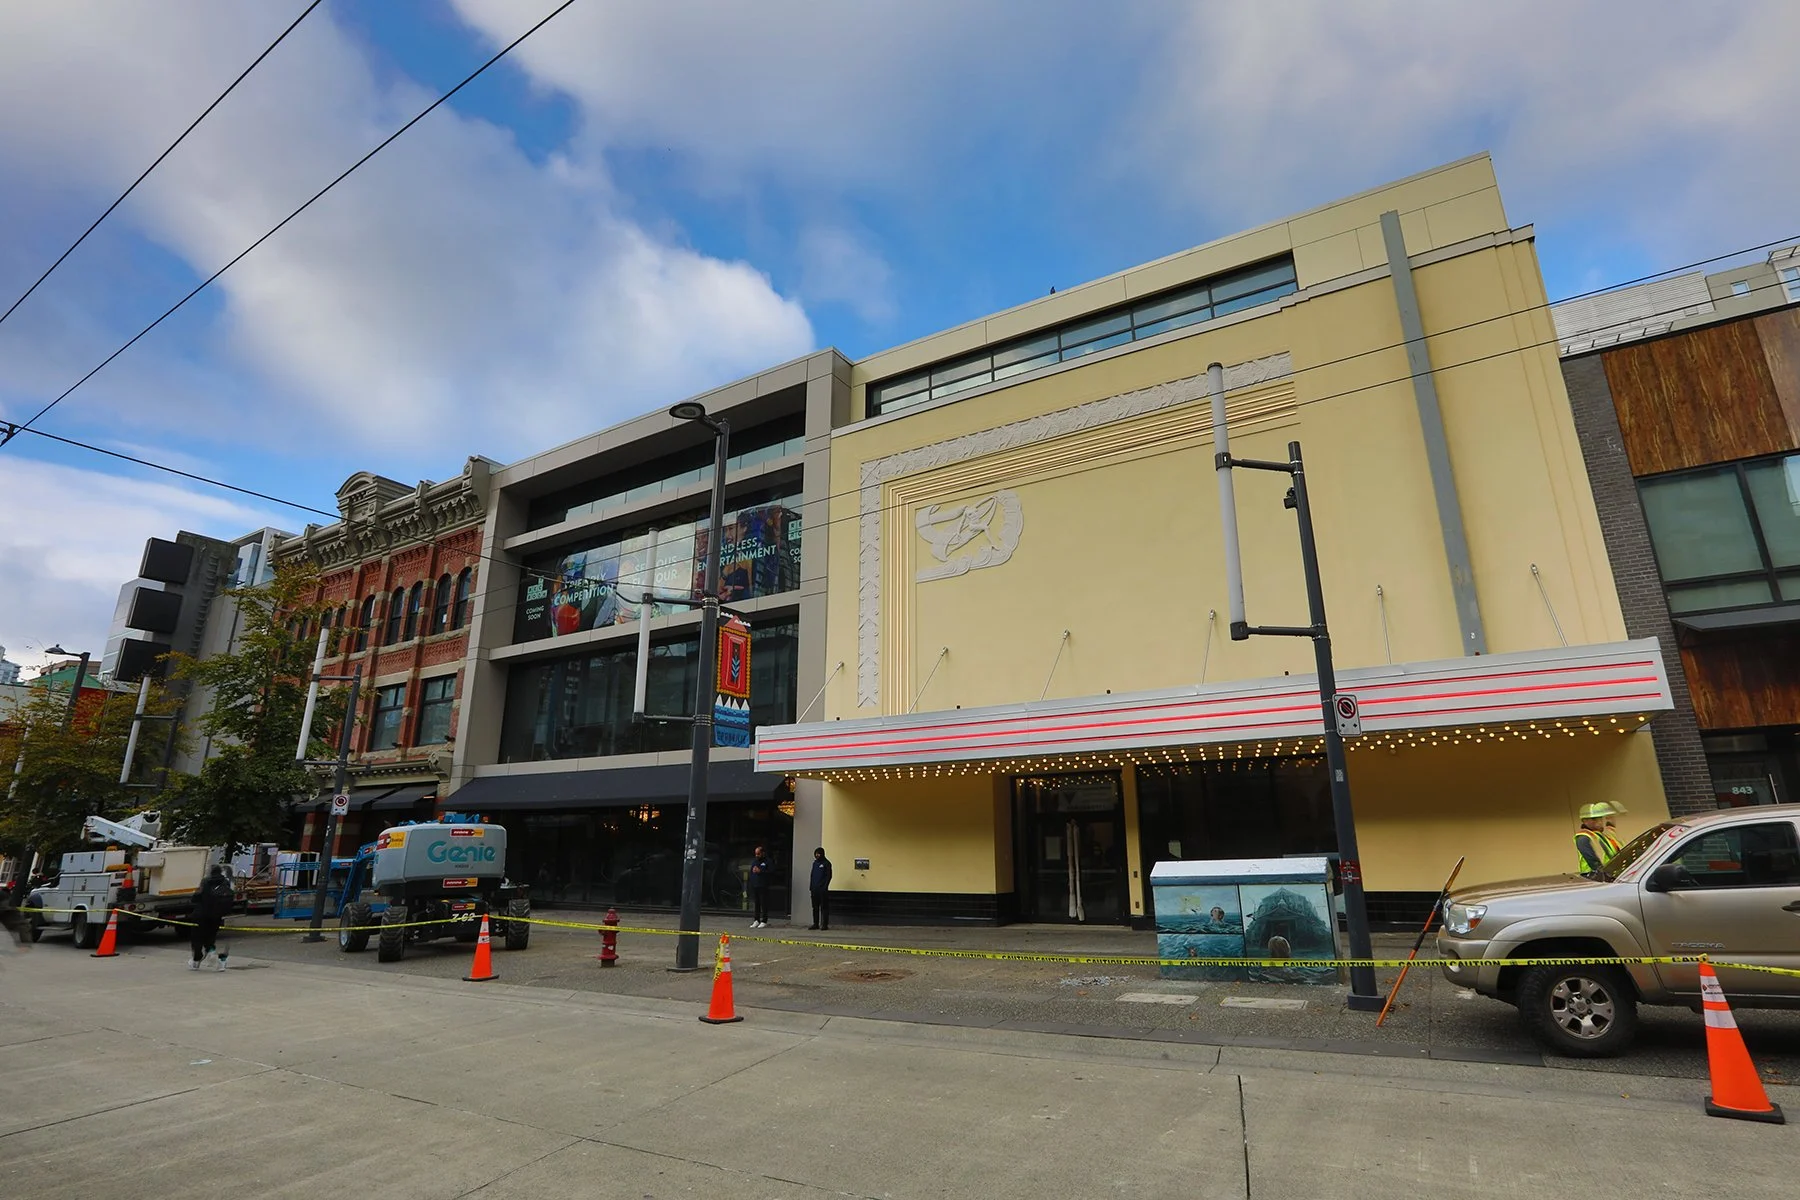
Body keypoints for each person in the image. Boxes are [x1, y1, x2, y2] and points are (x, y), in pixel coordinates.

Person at [190, 864, 234, 971]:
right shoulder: (225, 882)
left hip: (202, 914)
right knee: (211, 935)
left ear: (211, 872)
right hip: (217, 915)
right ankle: (212, 952)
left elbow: (196, 896)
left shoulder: (206, 881)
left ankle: (197, 959)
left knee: (197, 937)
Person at [1574, 803, 1613, 874]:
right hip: (1593, 875)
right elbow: (1593, 862)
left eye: (1600, 818)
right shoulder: (1584, 837)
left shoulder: (1599, 835)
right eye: (1594, 819)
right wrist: (1604, 874)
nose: (1599, 821)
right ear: (1585, 821)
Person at [807, 846, 832, 932]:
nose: (817, 855)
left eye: (818, 854)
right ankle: (815, 923)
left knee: (824, 908)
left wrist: (825, 887)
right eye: (816, 854)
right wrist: (811, 887)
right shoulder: (815, 863)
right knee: (815, 907)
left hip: (822, 890)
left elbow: (829, 876)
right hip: (814, 889)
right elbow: (812, 875)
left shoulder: (827, 863)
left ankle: (824, 924)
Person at [747, 845, 772, 929]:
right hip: (755, 885)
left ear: (763, 853)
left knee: (763, 903)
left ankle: (764, 920)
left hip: (763, 886)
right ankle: (756, 920)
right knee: (756, 903)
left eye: (758, 854)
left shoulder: (768, 861)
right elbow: (751, 872)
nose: (756, 855)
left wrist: (760, 871)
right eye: (756, 854)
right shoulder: (755, 861)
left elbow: (771, 872)